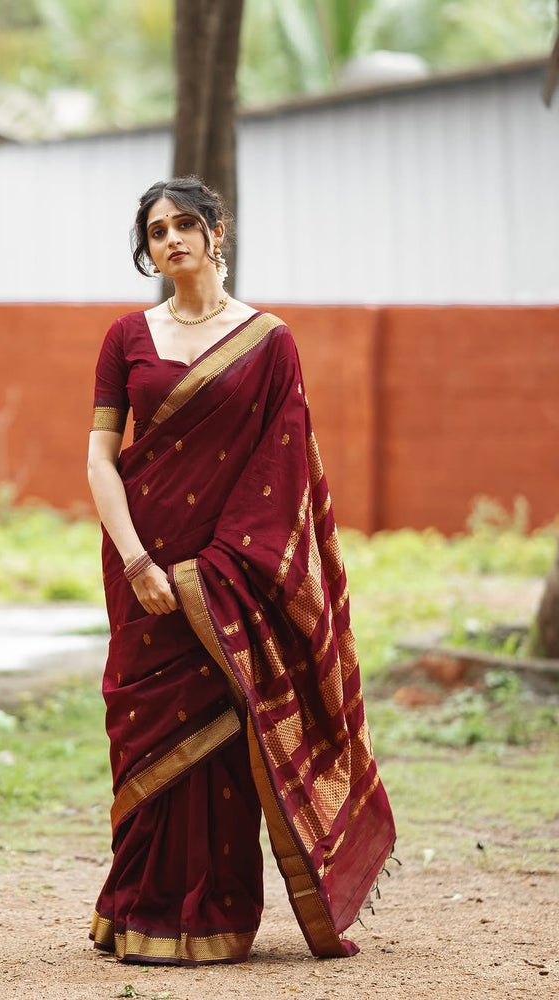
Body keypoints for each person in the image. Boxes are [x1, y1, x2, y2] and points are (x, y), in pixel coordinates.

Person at [86, 176, 395, 966]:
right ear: (147, 248)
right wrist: (137, 559)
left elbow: (282, 468)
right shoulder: (127, 336)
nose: (172, 239)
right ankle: (138, 909)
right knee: (144, 733)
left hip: (228, 579)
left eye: (186, 224)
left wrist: (218, 571)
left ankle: (212, 915)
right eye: (157, 231)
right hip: (143, 565)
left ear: (217, 232)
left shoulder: (268, 341)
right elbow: (100, 456)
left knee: (224, 745)